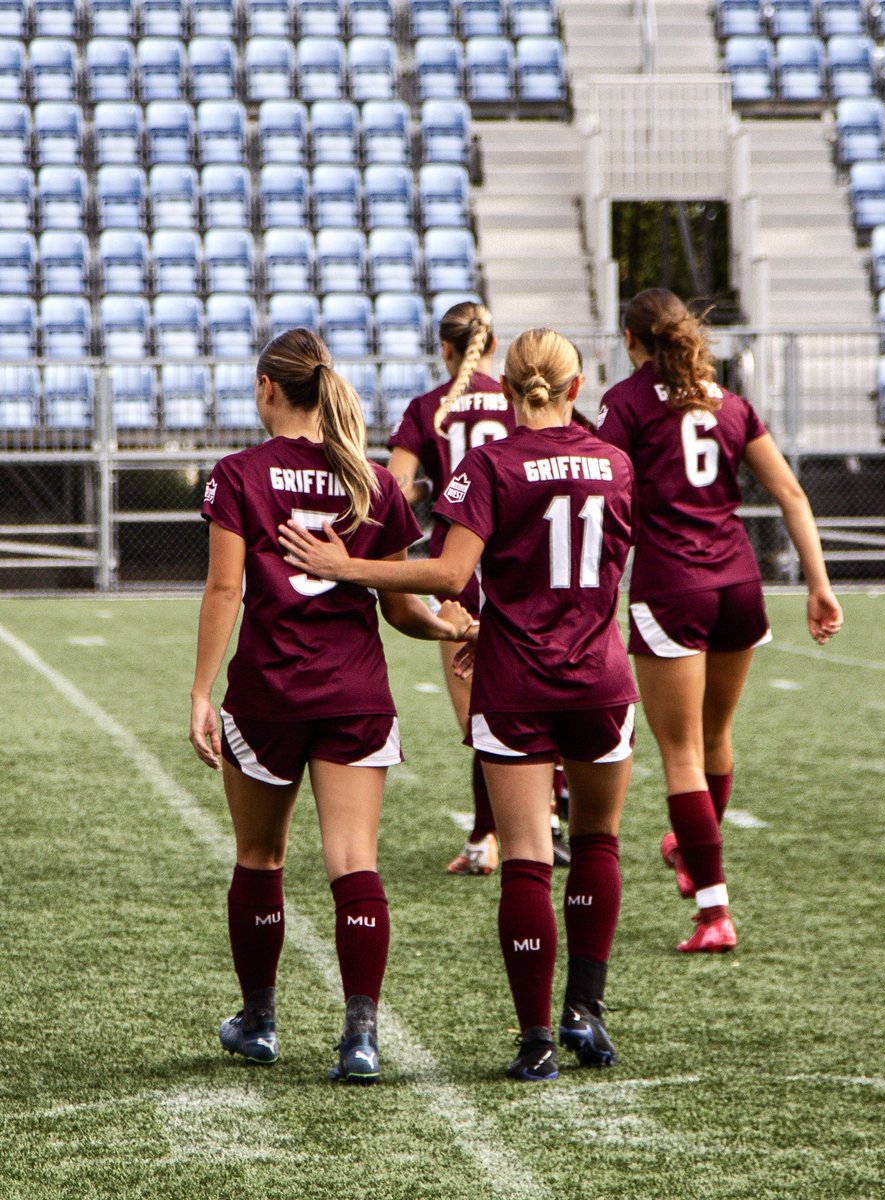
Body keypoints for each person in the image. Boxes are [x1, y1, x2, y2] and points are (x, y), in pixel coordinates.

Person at [279, 328, 639, 1082]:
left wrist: (346, 566)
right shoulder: (614, 462)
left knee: (526, 866)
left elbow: (448, 576)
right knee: (598, 843)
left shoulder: (489, 463)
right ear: (576, 389)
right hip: (599, 676)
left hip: (516, 678)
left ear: (505, 390)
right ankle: (587, 1011)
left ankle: (536, 1038)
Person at [189, 329, 473, 1085]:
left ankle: (259, 1022)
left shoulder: (237, 473)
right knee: (355, 863)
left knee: (260, 858)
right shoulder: (373, 483)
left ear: (266, 389)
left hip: (269, 692)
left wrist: (198, 692)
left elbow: (224, 590)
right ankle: (360, 1037)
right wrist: (456, 625)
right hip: (354, 694)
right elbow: (403, 607)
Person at [596, 288, 843, 953]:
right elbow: (789, 492)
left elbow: (599, 495)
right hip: (739, 583)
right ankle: (690, 845)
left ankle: (712, 912)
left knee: (677, 752)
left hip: (672, 585)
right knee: (714, 736)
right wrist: (818, 586)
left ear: (630, 340)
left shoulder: (622, 404)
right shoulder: (728, 403)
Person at [386, 299, 570, 875]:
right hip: (526, 562)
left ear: (446, 349)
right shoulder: (523, 396)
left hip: (458, 570)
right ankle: (551, 814)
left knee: (482, 718)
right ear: (494, 347)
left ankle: (485, 839)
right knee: (546, 701)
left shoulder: (428, 407)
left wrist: (426, 493)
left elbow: (393, 490)